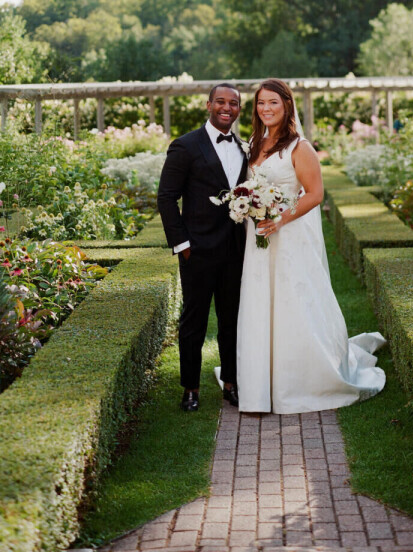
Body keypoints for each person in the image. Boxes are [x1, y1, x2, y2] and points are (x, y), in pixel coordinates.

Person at [237, 78, 386, 414]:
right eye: (261, 103)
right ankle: (260, 381)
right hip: (259, 235)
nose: (266, 109)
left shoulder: (300, 147)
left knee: (294, 300)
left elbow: (315, 194)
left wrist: (280, 219)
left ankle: (299, 379)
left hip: (288, 235)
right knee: (262, 301)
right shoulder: (254, 143)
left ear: (287, 105)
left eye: (273, 102)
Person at [157, 83, 248, 412]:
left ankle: (232, 384)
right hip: (196, 250)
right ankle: (191, 388)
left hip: (236, 250)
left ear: (239, 109)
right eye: (221, 102)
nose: (227, 108)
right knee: (193, 321)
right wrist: (183, 245)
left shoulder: (243, 148)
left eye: (234, 103)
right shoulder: (185, 146)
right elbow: (166, 198)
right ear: (209, 104)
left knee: (232, 319)